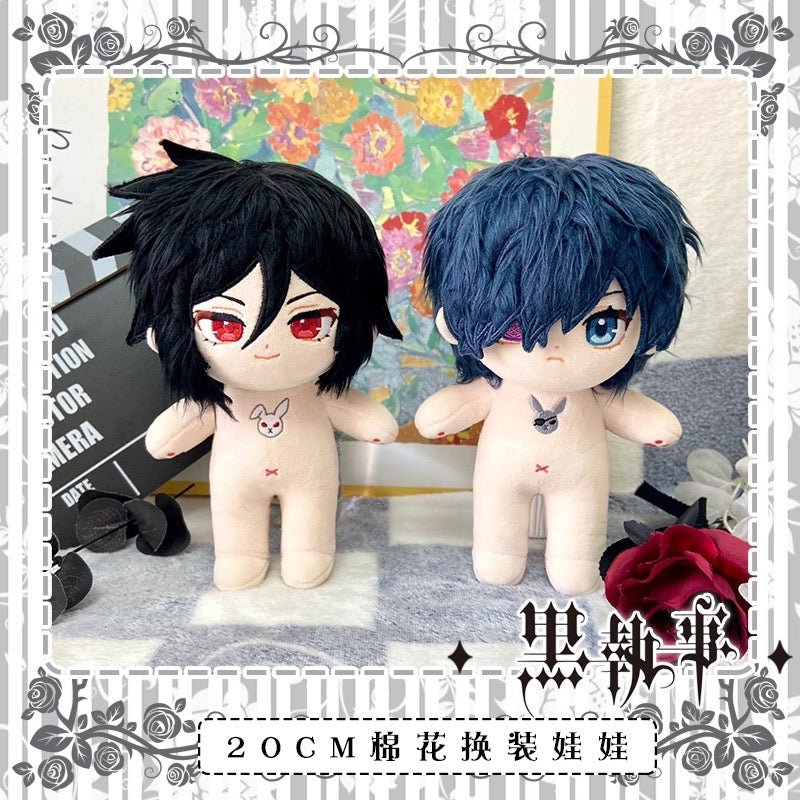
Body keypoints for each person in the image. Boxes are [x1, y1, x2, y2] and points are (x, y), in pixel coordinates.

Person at [94, 140, 401, 591]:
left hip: (311, 473)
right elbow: (169, 437)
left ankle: (311, 551)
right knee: (234, 519)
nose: (266, 348)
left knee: (312, 518)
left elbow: (365, 418)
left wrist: (375, 424)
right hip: (234, 477)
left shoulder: (322, 392)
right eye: (223, 324)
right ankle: (240, 553)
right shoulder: (215, 396)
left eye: (307, 321)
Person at [416, 154, 701, 595]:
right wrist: (440, 415)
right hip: (502, 475)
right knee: (496, 537)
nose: (552, 353)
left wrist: (653, 424)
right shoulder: (498, 385)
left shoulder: (594, 393)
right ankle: (498, 555)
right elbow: (449, 410)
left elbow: (632, 413)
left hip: (580, 479)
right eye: (514, 327)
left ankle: (574, 562)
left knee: (578, 542)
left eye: (601, 325)